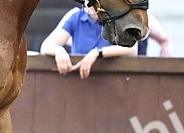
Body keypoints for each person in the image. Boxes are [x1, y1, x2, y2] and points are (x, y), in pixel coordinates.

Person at [39, 5, 173, 78]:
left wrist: (97, 53)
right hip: (81, 84)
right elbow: (46, 45)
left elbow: (131, 49)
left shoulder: (118, 17)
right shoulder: (75, 17)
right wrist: (59, 51)